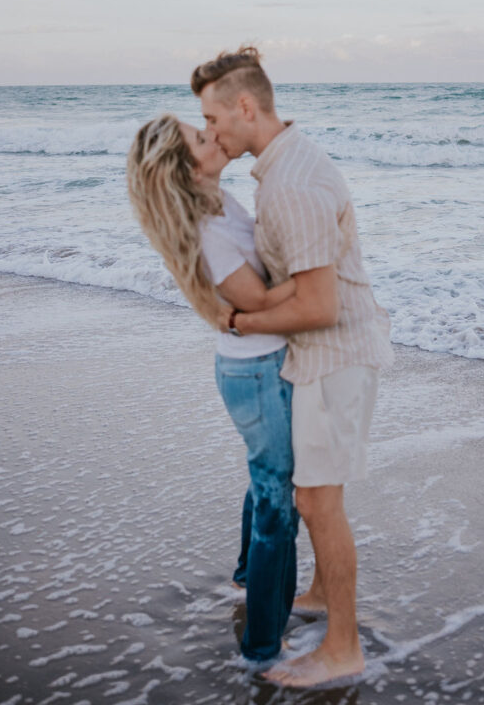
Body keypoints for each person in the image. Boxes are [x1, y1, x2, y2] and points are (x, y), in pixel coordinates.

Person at [191, 46, 393, 688]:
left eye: (213, 118)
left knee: (317, 501)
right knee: (317, 494)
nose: (212, 132)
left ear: (245, 107)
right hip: (324, 357)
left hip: (333, 357)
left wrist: (241, 320)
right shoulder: (281, 170)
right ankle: (321, 595)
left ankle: (342, 647)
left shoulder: (291, 185)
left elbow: (318, 304)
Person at [126, 114, 299, 665]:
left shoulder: (218, 202)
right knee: (278, 503)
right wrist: (322, 267)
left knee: (265, 479)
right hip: (256, 372)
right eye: (202, 139)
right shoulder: (210, 232)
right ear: (185, 169)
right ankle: (264, 649)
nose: (215, 136)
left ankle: (248, 578)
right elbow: (258, 302)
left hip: (255, 366)